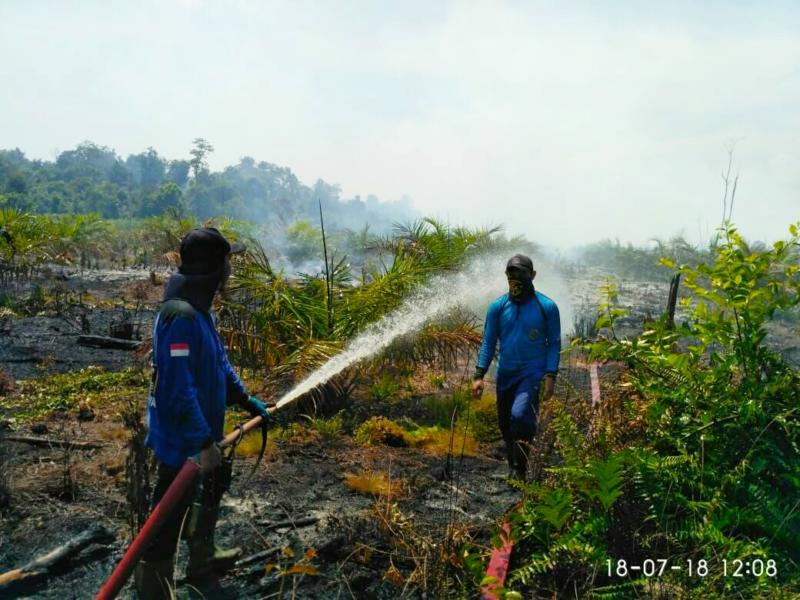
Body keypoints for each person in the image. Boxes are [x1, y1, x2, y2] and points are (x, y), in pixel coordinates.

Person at [135, 227, 270, 598]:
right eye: (228, 259)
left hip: (204, 436)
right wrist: (201, 442)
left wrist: (245, 401)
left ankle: (202, 560)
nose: (231, 267)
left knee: (210, 494)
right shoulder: (180, 316)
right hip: (182, 444)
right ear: (216, 266)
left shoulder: (200, 312)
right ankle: (154, 589)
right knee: (167, 518)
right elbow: (178, 391)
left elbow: (219, 364)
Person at [472, 254, 561, 480]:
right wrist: (479, 374)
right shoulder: (498, 307)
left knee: (520, 416)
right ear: (506, 275)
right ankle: (514, 463)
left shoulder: (547, 307)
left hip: (531, 374)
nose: (516, 278)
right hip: (506, 374)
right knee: (506, 424)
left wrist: (551, 375)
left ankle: (520, 470)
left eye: (522, 273)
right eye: (512, 273)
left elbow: (554, 343)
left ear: (533, 275)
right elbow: (489, 341)